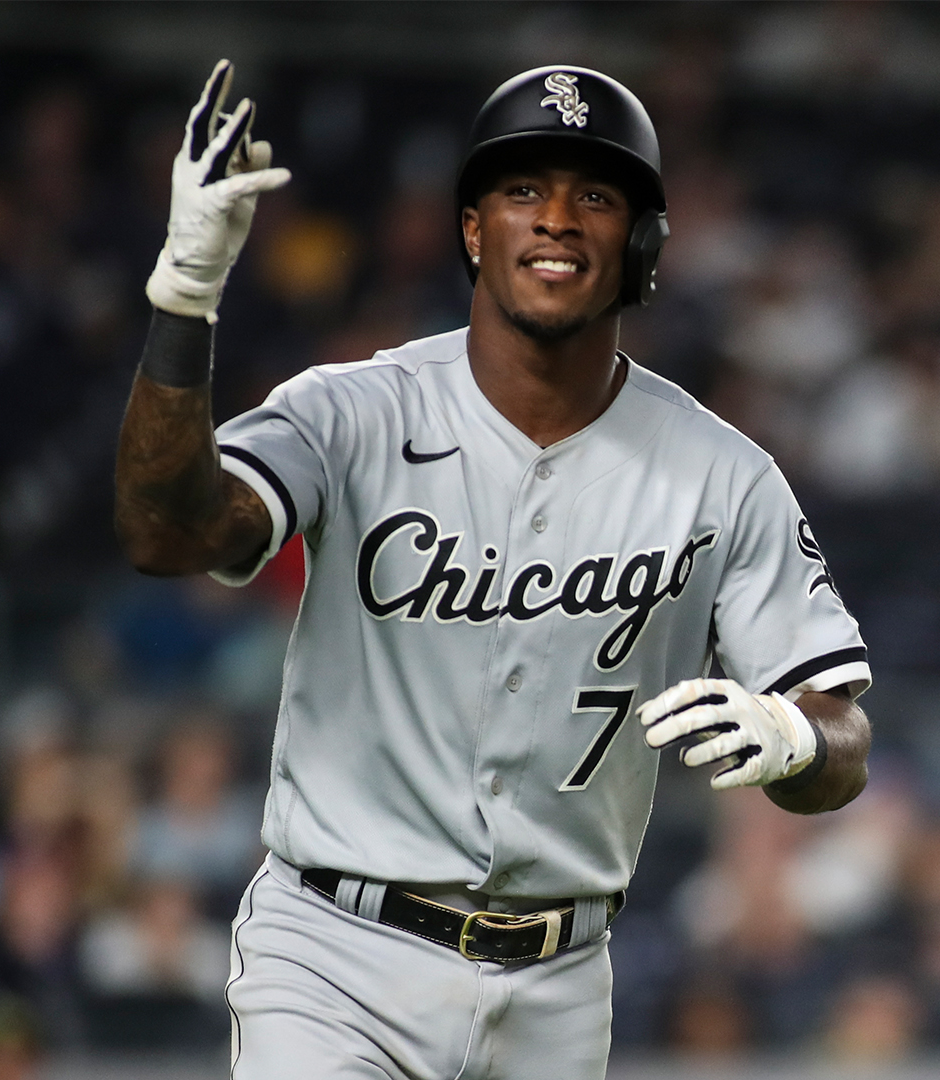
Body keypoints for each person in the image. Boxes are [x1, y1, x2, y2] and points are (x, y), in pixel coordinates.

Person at [112, 62, 872, 1079]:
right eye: (523, 191)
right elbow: (169, 536)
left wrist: (790, 737)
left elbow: (844, 739)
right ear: (474, 231)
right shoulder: (354, 411)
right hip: (336, 954)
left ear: (641, 245)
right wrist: (185, 298)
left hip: (560, 985)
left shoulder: (722, 474)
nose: (556, 219)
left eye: (595, 196)